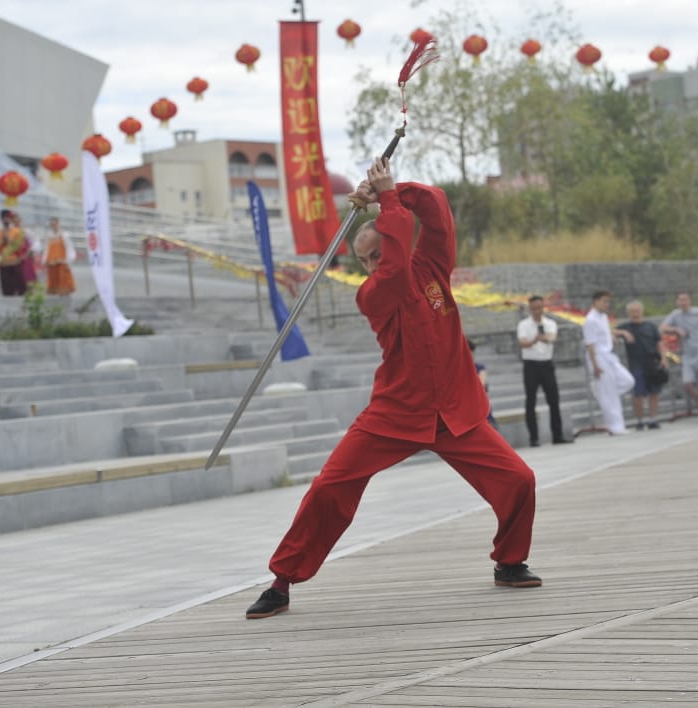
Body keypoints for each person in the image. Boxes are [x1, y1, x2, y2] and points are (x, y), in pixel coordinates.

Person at [244, 158, 541, 620]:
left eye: (376, 254)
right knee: (330, 487)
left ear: (393, 240)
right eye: (363, 261)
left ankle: (509, 562)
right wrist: (384, 203)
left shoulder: (432, 269)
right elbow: (396, 268)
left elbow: (438, 209)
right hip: (396, 413)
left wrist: (392, 190)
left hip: (454, 410)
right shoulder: (373, 293)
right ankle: (282, 581)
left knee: (519, 480)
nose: (370, 265)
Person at [517, 295, 569, 446]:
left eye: (539, 307)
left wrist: (542, 337)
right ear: (530, 309)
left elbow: (552, 338)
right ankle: (534, 437)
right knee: (530, 400)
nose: (537, 311)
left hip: (547, 364)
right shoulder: (524, 324)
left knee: (554, 400)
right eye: (534, 308)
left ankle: (557, 435)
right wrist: (535, 339)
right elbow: (523, 342)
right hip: (531, 365)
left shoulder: (550, 323)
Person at [582, 290, 635, 435]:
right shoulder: (590, 320)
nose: (607, 304)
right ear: (596, 301)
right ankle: (615, 426)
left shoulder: (603, 317)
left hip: (609, 355)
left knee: (628, 381)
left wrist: (613, 335)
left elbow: (605, 332)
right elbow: (590, 344)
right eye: (604, 301)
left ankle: (601, 392)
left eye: (608, 301)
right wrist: (595, 366)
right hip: (598, 356)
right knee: (608, 394)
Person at [660, 292, 698, 421]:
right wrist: (676, 330)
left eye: (685, 300)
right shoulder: (675, 314)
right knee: (688, 384)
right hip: (687, 354)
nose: (683, 303)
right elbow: (662, 327)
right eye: (680, 300)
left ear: (690, 301)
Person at [616, 301, 667, 430]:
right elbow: (610, 331)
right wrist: (623, 333)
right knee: (638, 394)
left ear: (641, 312)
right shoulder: (625, 326)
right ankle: (639, 420)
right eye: (632, 312)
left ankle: (653, 419)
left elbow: (660, 343)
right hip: (636, 364)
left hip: (652, 361)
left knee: (654, 392)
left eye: (637, 311)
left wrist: (664, 358)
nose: (635, 314)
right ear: (628, 313)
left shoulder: (650, 326)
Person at [0, 210, 27, 296]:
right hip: (4, 263)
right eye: (4, 218)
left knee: (21, 288)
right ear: (1, 219)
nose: (6, 220)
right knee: (7, 289)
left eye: (8, 218)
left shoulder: (17, 231)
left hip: (15, 262)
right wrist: (2, 241)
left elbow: (21, 246)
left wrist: (11, 241)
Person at [468, 338, 498, 429]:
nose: (471, 355)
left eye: (471, 352)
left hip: (480, 405)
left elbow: (481, 385)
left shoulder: (479, 367)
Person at [42, 217, 77, 295]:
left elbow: (70, 248)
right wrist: (45, 260)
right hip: (52, 263)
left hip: (62, 263)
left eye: (54, 224)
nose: (53, 226)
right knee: (53, 285)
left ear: (58, 224)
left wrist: (68, 260)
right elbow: (46, 249)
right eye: (52, 224)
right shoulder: (49, 237)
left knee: (63, 284)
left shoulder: (64, 235)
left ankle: (64, 302)